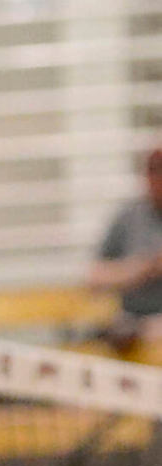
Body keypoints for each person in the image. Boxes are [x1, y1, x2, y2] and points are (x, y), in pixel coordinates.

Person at [90, 148, 162, 350]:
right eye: (154, 172)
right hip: (133, 325)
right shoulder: (129, 217)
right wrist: (142, 268)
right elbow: (93, 276)